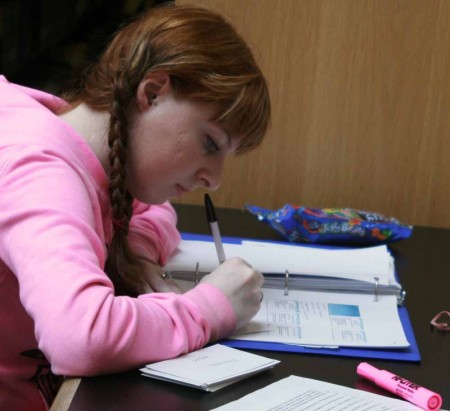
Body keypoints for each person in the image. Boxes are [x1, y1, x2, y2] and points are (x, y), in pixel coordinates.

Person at [0, 3, 270, 410]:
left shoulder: (72, 132)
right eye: (210, 143)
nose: (214, 179)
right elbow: (80, 338)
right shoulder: (42, 171)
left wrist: (133, 251)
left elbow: (152, 208)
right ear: (153, 92)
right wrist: (209, 309)